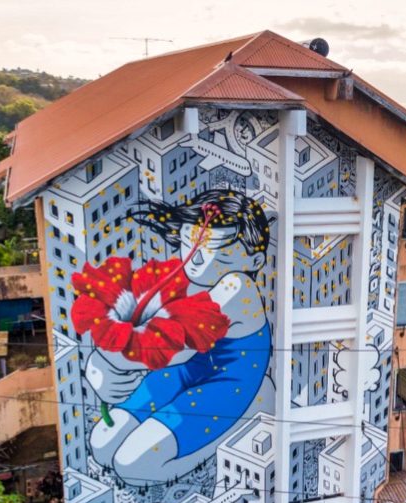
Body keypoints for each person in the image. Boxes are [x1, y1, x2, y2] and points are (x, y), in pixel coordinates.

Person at [83, 190, 274, 485]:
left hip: (225, 383)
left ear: (255, 260)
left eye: (218, 253)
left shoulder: (237, 287)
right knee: (102, 444)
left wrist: (105, 360)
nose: (195, 259)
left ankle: (254, 405)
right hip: (183, 374)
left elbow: (175, 348)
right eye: (188, 242)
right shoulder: (186, 275)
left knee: (130, 464)